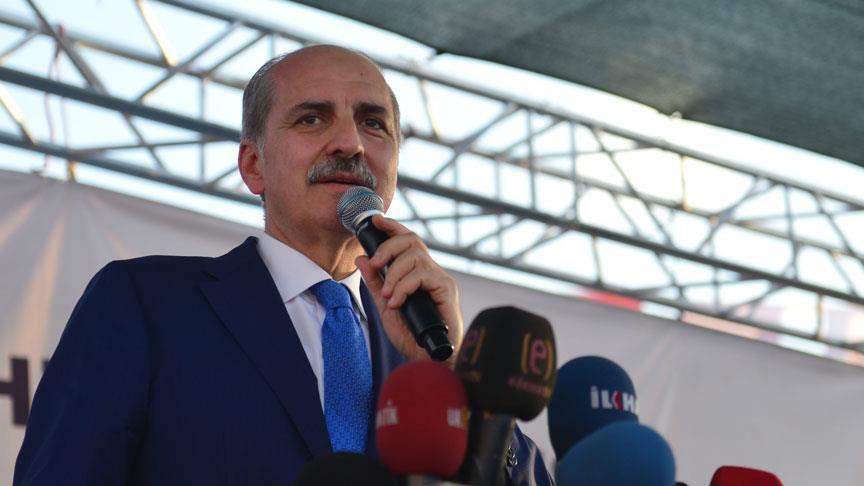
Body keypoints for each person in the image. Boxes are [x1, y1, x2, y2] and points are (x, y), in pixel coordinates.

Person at [14, 45, 552, 485]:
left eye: (374, 124)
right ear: (254, 165)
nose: (351, 144)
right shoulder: (145, 303)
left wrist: (453, 379)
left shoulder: (422, 346)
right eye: (312, 118)